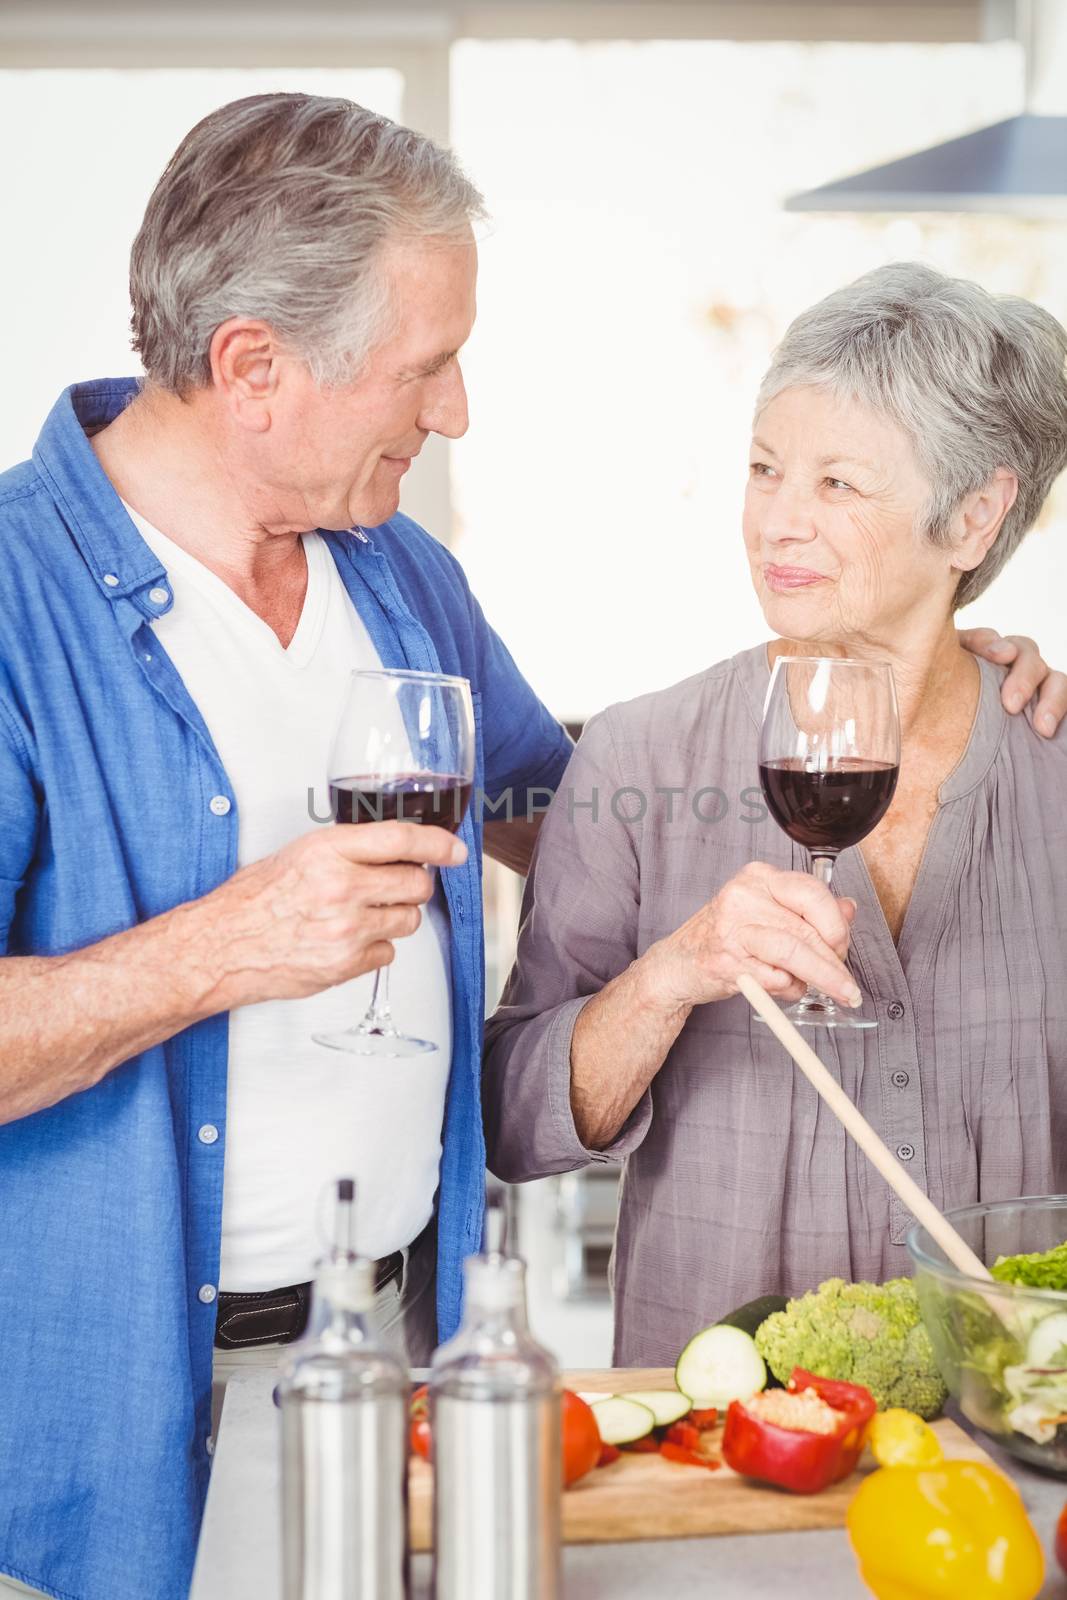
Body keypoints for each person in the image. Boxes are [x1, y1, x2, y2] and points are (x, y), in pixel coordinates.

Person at [0, 101, 1059, 1600]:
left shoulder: (399, 578)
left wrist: (958, 678)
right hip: (113, 1406)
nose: (454, 414)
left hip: (404, 1369)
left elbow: (572, 814)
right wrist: (223, 947)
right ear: (253, 367)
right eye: (425, 366)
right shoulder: (10, 607)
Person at [483, 262, 1067, 1372]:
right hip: (721, 1445)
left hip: (1018, 1435)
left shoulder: (1053, 758)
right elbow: (508, 1123)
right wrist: (668, 977)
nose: (776, 522)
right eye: (763, 469)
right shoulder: (638, 755)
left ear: (974, 516)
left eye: (837, 484)